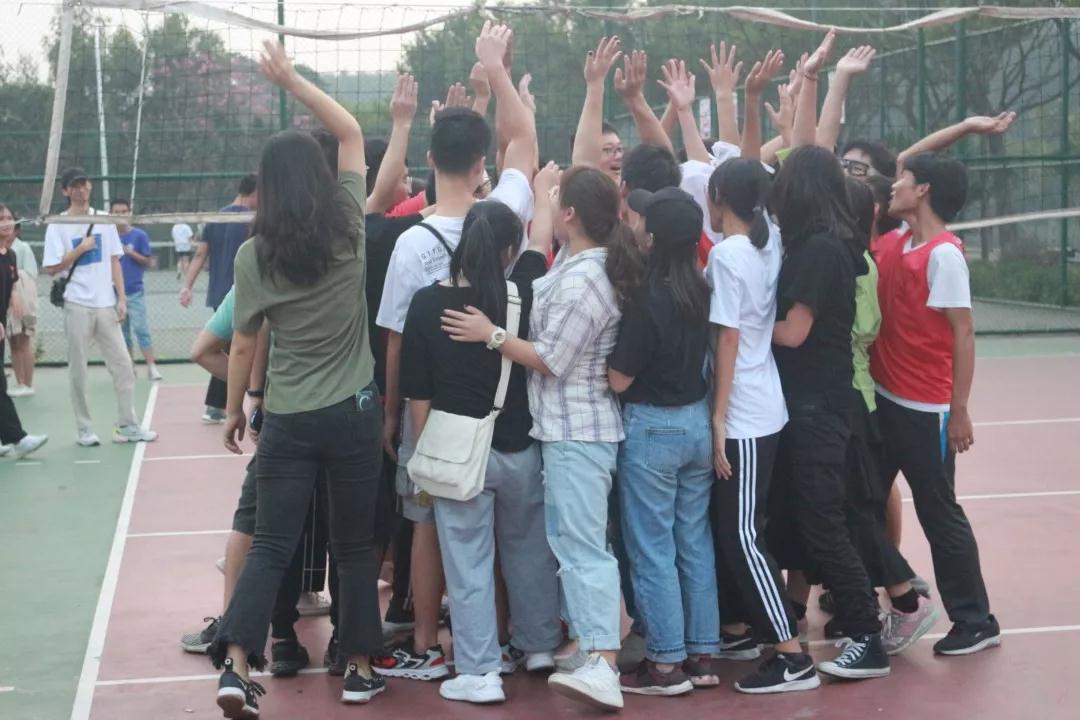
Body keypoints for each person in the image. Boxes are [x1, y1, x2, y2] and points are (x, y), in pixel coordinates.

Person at [209, 41, 384, 713]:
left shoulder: (256, 255)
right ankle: (359, 668)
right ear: (320, 175)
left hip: (288, 418)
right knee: (354, 546)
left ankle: (235, 665)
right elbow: (349, 131)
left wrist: (234, 409)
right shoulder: (349, 226)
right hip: (353, 413)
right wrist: (293, 81)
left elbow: (244, 343)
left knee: (272, 545)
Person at [374, 21, 537, 681]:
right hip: (507, 406)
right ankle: (511, 636)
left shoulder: (412, 242)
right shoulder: (504, 216)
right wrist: (495, 70)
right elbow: (524, 141)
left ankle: (427, 641)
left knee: (432, 523)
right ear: (481, 166)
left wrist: (393, 417)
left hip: (437, 414)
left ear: (429, 158)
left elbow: (396, 339)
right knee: (509, 533)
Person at [443, 165, 632, 711]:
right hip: (567, 431)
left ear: (571, 214)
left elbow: (551, 359)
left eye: (558, 202)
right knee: (569, 545)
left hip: (579, 432)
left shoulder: (583, 281)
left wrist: (492, 334)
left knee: (583, 549)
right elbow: (546, 246)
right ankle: (592, 650)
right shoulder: (578, 262)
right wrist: (551, 196)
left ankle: (604, 661)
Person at [400, 187, 561, 705]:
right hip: (520, 448)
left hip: (458, 453)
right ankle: (538, 646)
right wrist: (545, 194)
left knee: (468, 561)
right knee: (529, 553)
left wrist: (424, 457)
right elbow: (539, 244)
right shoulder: (524, 293)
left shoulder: (427, 304)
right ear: (510, 250)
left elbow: (418, 394)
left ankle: (480, 669)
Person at [871, 152, 1000, 656]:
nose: (894, 183)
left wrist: (959, 410)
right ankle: (900, 592)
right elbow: (906, 160)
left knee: (938, 512)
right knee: (856, 501)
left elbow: (963, 333)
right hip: (884, 399)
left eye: (903, 178)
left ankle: (976, 620)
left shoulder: (943, 256)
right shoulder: (895, 242)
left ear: (922, 190)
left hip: (925, 411)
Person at [768, 145, 889, 680]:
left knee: (823, 522)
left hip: (817, 405)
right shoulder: (826, 244)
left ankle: (866, 635)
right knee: (809, 517)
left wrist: (732, 325)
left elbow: (793, 333)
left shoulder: (819, 250)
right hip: (815, 401)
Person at [704, 158, 820, 694]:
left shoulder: (730, 253)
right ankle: (761, 635)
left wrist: (719, 416)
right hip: (762, 400)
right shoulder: (767, 239)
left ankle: (791, 657)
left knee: (743, 536)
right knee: (743, 531)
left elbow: (728, 337)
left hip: (746, 412)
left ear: (717, 196)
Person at [606, 186, 717, 696]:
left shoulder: (646, 297)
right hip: (697, 422)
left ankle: (666, 662)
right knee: (694, 541)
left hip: (653, 428)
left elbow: (619, 379)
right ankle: (702, 653)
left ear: (652, 237)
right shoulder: (702, 289)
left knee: (652, 547)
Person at [42, 168, 157, 447]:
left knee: (124, 365)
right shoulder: (58, 224)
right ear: (65, 191)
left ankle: (127, 425)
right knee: (79, 370)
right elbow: (52, 267)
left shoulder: (104, 220)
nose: (81, 190)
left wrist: (121, 298)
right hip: (76, 304)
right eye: (74, 186)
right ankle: (85, 429)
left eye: (84, 184)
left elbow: (115, 260)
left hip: (106, 305)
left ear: (90, 186)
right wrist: (80, 249)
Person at [180, 173, 257, 424]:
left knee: (225, 349)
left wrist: (187, 286)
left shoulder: (216, 217)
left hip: (220, 296)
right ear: (254, 192)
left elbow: (200, 255)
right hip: (243, 293)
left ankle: (217, 405)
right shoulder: (253, 220)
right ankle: (221, 405)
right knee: (238, 350)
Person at [0, 205, 47, 459]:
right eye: (1, 219)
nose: (6, 222)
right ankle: (18, 438)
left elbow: (11, 283)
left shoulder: (10, 256)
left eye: (9, 218)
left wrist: (14, 295)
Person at [112, 199, 163, 381]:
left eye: (124, 211)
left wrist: (130, 252)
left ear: (129, 213)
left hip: (135, 292)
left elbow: (148, 261)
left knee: (141, 329)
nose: (120, 215)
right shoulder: (108, 235)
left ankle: (152, 367)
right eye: (116, 212)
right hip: (113, 294)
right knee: (122, 334)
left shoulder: (140, 236)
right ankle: (129, 368)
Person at [4, 210, 37, 397]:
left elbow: (30, 274)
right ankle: (20, 382)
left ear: (17, 230)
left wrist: (16, 290)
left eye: (11, 224)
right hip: (7, 303)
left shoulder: (22, 248)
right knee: (13, 343)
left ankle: (28, 383)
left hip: (22, 303)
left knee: (24, 341)